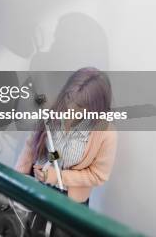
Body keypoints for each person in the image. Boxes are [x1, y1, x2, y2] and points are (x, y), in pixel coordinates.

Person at [15, 67, 118, 205]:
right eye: (69, 97)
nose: (70, 108)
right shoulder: (52, 108)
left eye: (80, 106)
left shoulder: (106, 133)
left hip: (69, 202)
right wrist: (17, 178)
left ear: (96, 108)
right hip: (35, 186)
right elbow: (31, 144)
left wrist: (57, 177)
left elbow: (98, 175)